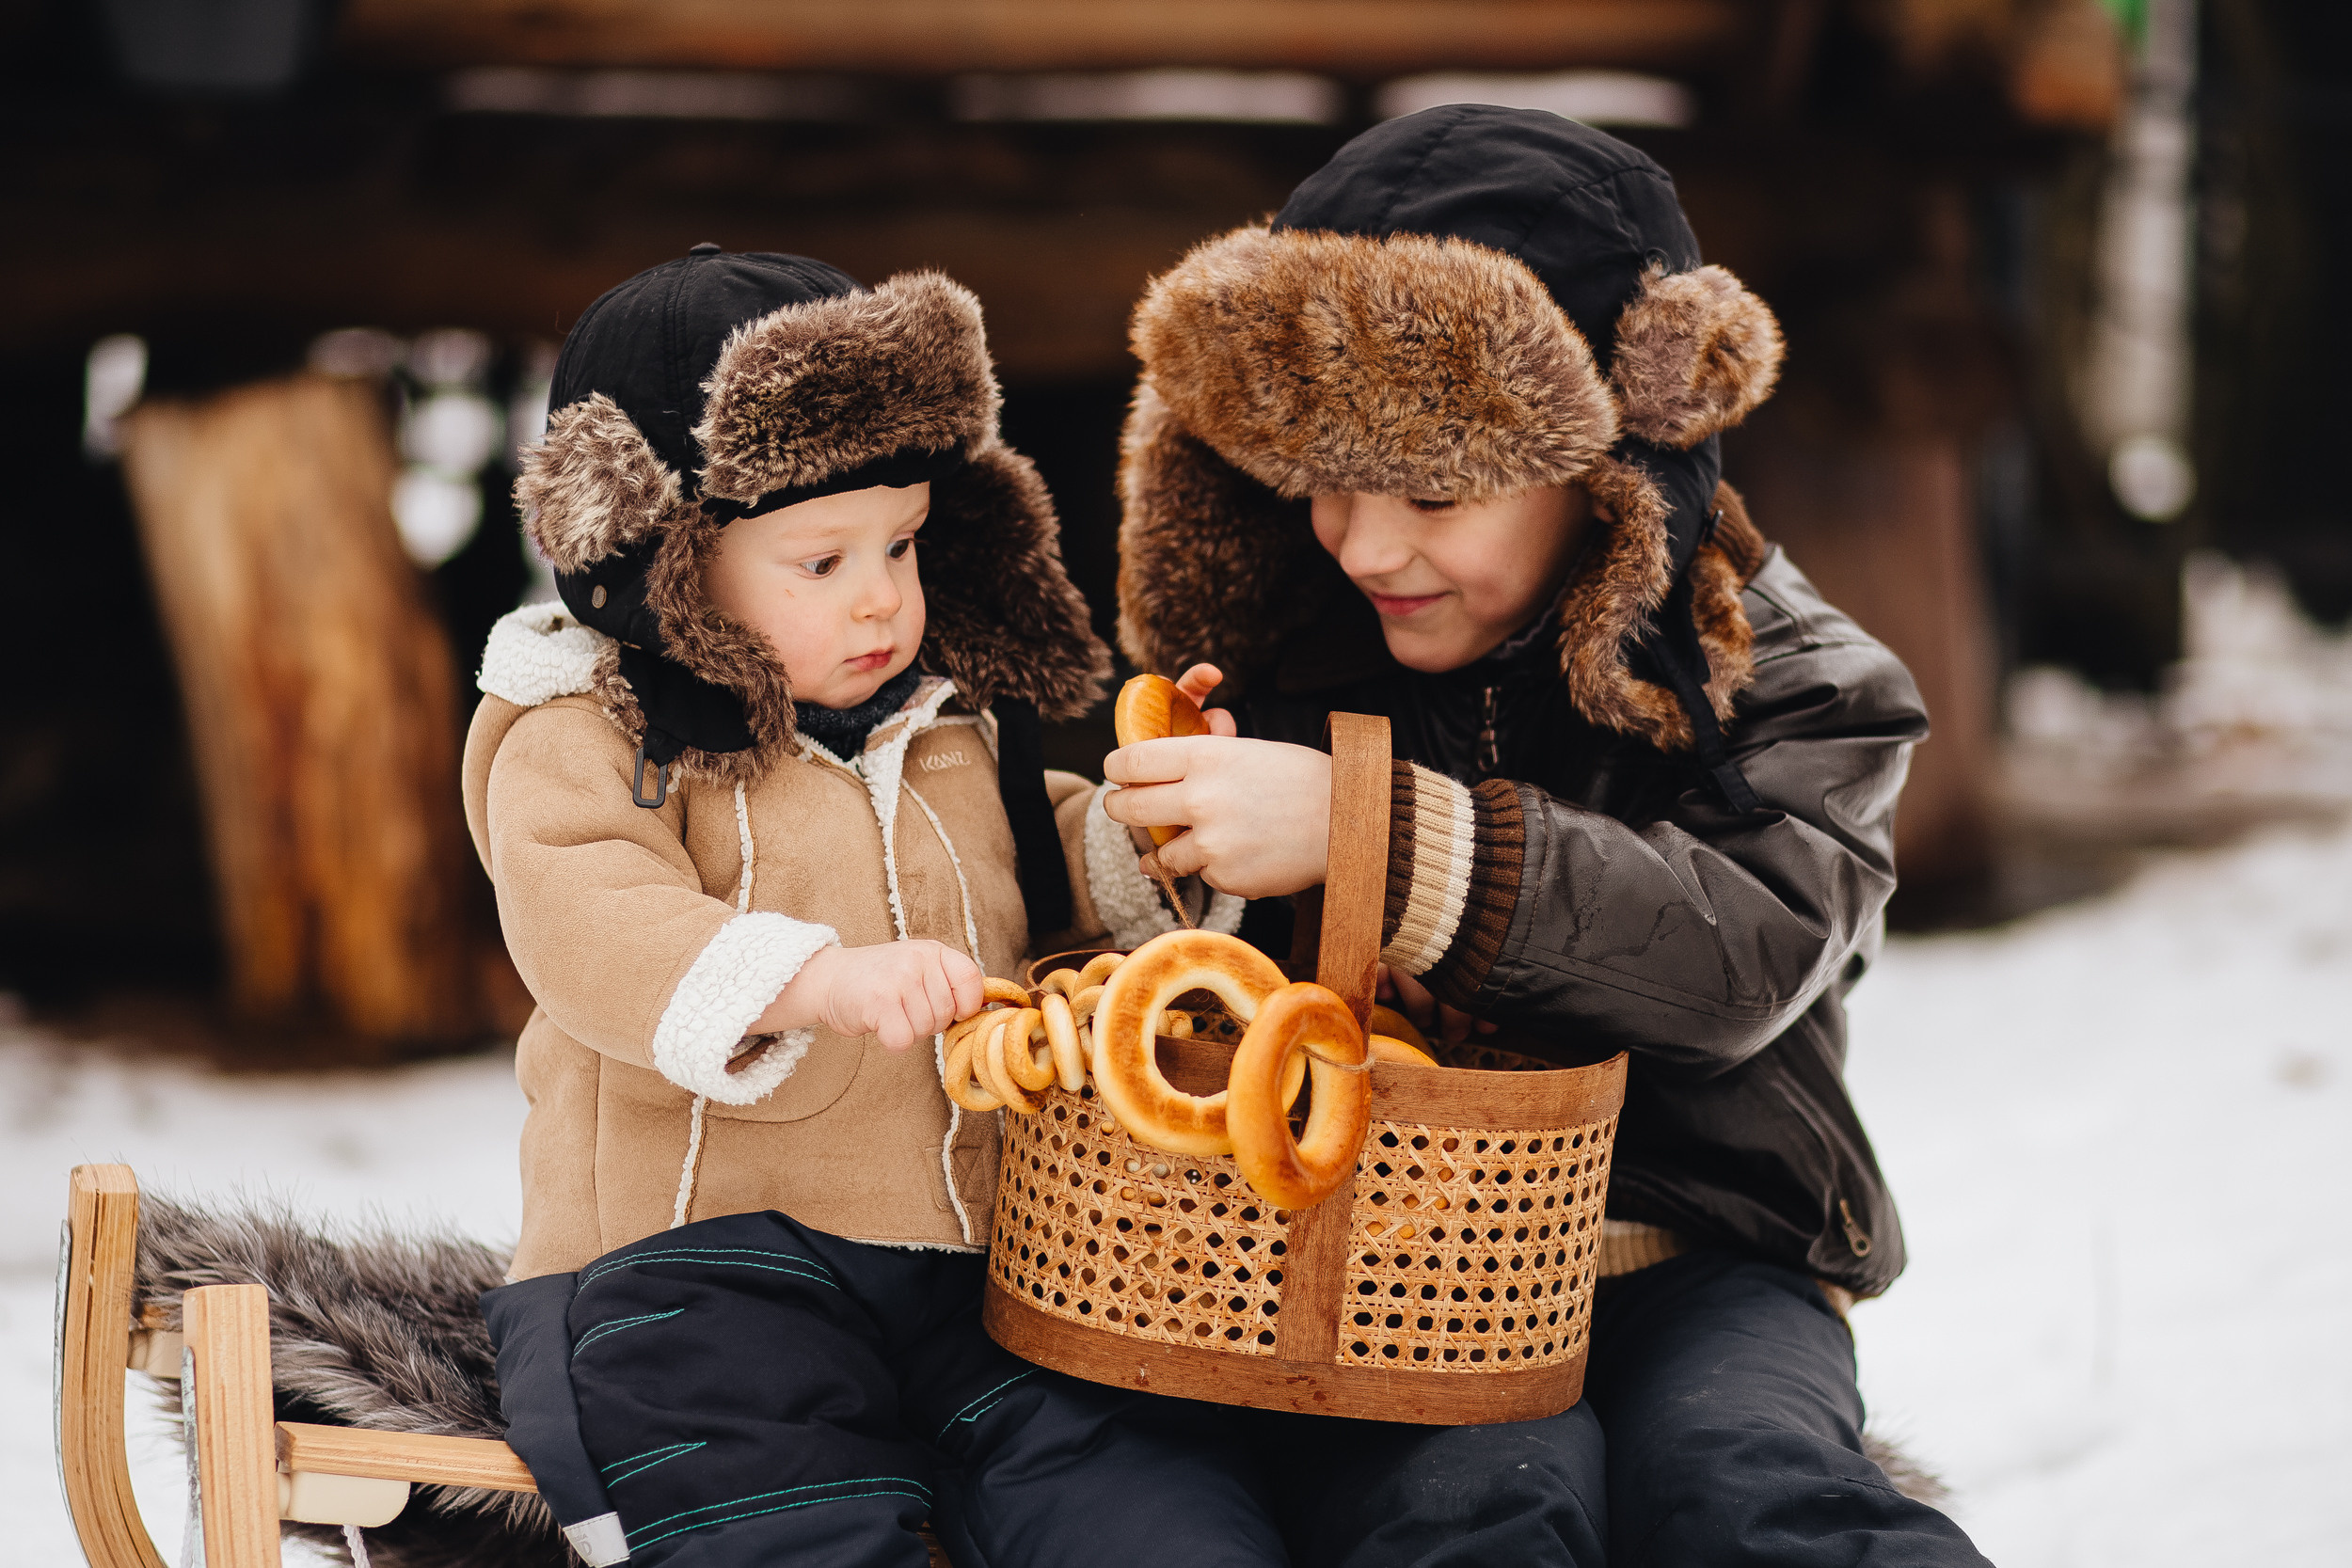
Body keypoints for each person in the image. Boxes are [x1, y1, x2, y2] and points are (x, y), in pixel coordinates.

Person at [1099, 108, 1994, 1565]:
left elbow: (1736, 957)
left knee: (1747, 1488)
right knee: (1474, 1507)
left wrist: (1378, 838)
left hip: (1705, 1257)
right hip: (1395, 1273)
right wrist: (1167, 845)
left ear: (1609, 463)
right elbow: (1205, 1016)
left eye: (1432, 491)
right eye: (1323, 482)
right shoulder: (1298, 666)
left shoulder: (1798, 687)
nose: (1365, 545)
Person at [462, 245, 1260, 1568]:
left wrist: (1156, 831)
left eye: (901, 542)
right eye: (821, 560)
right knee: (767, 1500)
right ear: (662, 558)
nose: (883, 595)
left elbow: (1038, 871)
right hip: (687, 1271)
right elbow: (588, 918)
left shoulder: (942, 725)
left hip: (977, 1274)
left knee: (1142, 1490)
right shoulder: (589, 731)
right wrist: (810, 979)